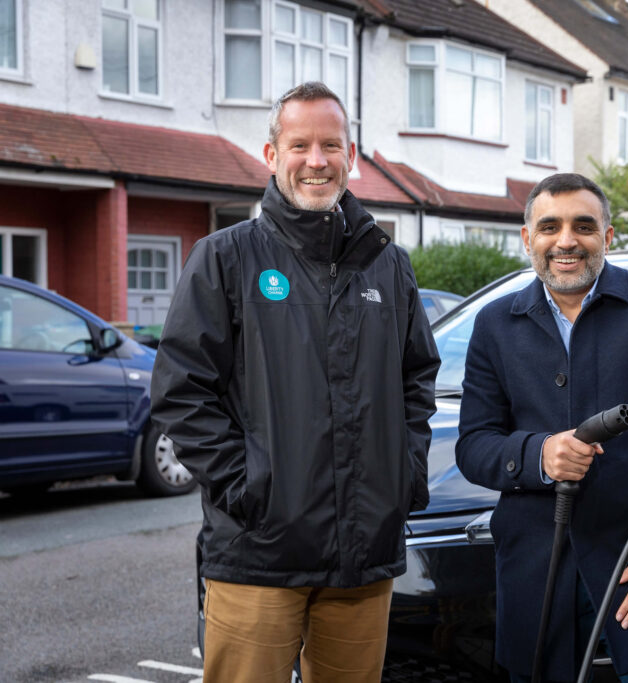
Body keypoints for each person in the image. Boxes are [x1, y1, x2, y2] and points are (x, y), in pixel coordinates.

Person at [151, 81, 440, 683]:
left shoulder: (388, 264)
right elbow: (181, 392)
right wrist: (248, 487)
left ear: (351, 156)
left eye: (330, 145)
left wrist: (404, 474)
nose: (316, 160)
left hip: (364, 556)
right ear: (271, 154)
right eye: (300, 144)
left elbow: (417, 378)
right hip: (259, 552)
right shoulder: (224, 258)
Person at [455, 173, 628, 682]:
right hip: (538, 581)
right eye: (549, 226)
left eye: (583, 226)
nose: (566, 241)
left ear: (608, 235)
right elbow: (473, 445)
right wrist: (539, 454)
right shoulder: (494, 323)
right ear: (527, 238)